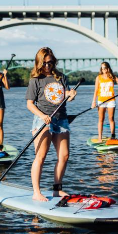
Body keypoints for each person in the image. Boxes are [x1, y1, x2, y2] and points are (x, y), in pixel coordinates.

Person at [26, 47, 77, 201]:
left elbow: (65, 96)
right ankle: (36, 192)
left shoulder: (60, 77)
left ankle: (57, 189)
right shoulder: (36, 79)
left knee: (64, 156)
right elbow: (30, 104)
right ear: (39, 63)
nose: (48, 65)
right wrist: (42, 115)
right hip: (43, 119)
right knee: (40, 156)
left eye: (50, 62)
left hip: (61, 119)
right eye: (45, 63)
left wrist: (71, 94)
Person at [91, 62, 118, 143]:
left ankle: (113, 136)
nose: (103, 70)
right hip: (101, 101)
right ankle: (100, 137)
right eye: (102, 68)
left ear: (108, 68)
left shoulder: (112, 77)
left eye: (105, 68)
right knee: (101, 119)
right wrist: (93, 101)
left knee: (111, 119)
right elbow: (96, 90)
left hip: (111, 100)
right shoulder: (98, 78)